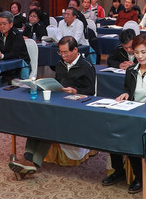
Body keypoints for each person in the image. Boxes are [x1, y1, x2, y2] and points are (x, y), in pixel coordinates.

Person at [9, 36, 96, 179]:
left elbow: (91, 91)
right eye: (60, 52)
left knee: (49, 122)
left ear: (75, 50)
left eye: (66, 52)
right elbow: (58, 82)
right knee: (37, 117)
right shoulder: (61, 64)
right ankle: (27, 159)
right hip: (58, 102)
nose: (63, 56)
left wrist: (75, 90)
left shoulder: (86, 66)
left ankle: (32, 162)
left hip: (75, 107)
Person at [102, 34, 146, 194]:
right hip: (132, 114)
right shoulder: (131, 70)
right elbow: (128, 90)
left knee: (131, 135)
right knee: (113, 129)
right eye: (137, 52)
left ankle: (140, 177)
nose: (139, 56)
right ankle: (118, 170)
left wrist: (143, 108)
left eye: (143, 52)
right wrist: (125, 94)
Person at [0, 11, 30, 84]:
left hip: (19, 66)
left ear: (11, 24)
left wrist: (1, 56)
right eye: (0, 24)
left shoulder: (17, 35)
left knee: (4, 79)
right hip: (4, 63)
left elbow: (14, 54)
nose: (2, 26)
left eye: (4, 24)